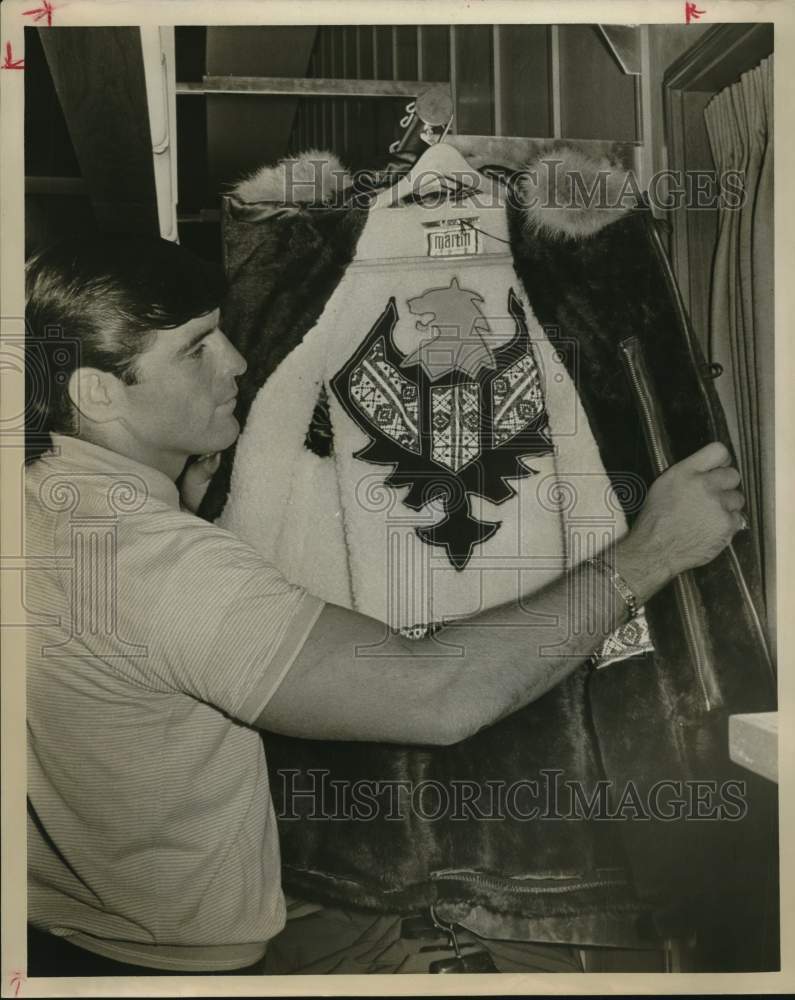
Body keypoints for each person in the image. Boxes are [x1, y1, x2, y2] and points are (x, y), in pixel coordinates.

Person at [24, 235, 746, 977]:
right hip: (159, 969)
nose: (235, 361)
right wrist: (652, 550)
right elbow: (435, 695)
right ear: (96, 392)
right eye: (195, 348)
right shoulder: (162, 568)